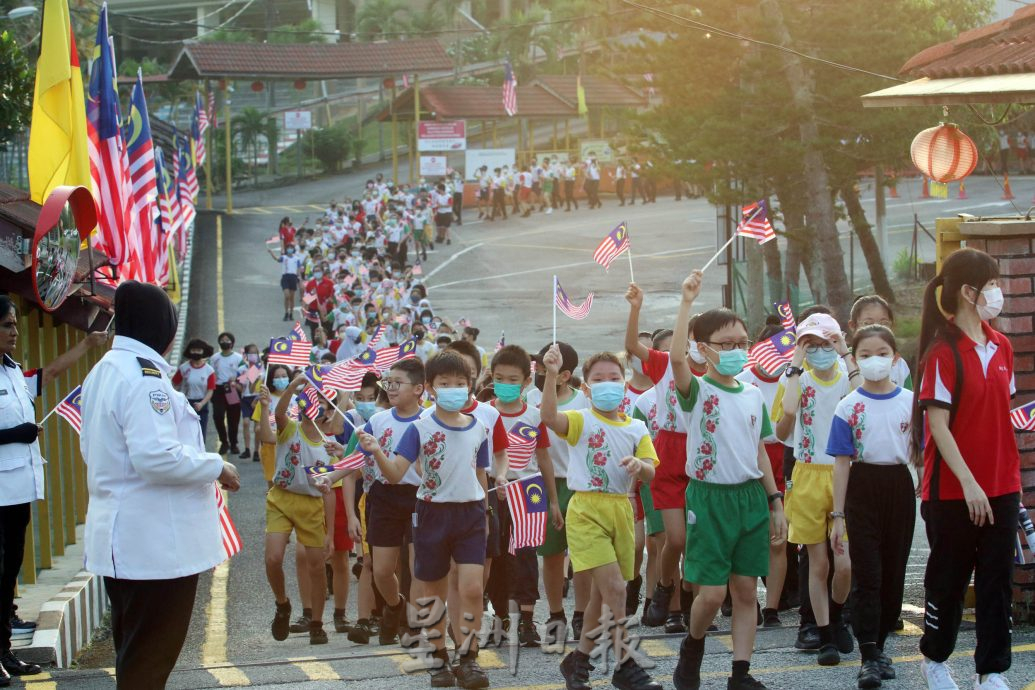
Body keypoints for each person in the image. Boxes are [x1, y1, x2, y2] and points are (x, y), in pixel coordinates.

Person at [81, 282, 241, 689]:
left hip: (127, 540)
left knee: (135, 652)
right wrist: (215, 465)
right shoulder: (144, 377)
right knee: (150, 658)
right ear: (160, 326)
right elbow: (156, 457)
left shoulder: (105, 370)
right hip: (154, 546)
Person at [667, 271, 787, 690]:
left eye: (741, 343)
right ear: (704, 349)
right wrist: (686, 303)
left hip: (750, 498)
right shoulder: (696, 390)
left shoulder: (753, 393)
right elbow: (677, 361)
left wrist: (775, 501)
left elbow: (758, 450)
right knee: (712, 594)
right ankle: (693, 644)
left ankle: (741, 672)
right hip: (709, 498)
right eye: (726, 344)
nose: (737, 350)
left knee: (744, 590)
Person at [913, 247, 1018, 690]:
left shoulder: (1001, 345)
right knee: (949, 580)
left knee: (997, 583)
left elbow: (1000, 414)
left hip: (1001, 486)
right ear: (969, 291)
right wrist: (971, 484)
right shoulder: (942, 352)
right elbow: (937, 427)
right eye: (990, 284)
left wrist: (998, 483)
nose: (997, 292)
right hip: (953, 492)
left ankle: (990, 672)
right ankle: (935, 661)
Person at [359, 351, 493, 688]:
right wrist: (376, 450)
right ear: (430, 389)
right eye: (445, 384)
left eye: (460, 384)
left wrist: (487, 513)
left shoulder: (479, 428)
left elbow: (481, 476)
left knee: (473, 589)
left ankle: (469, 657)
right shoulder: (419, 428)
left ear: (470, 386)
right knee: (433, 592)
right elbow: (394, 474)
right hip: (433, 513)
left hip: (471, 515)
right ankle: (438, 659)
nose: (453, 389)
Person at [540, 345, 662, 690]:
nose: (607, 384)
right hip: (585, 511)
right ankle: (625, 664)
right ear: (588, 388)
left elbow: (652, 470)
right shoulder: (581, 420)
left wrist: (641, 466)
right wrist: (550, 375)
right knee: (615, 589)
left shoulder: (637, 427)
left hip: (620, 509)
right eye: (598, 379)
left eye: (614, 377)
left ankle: (578, 661)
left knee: (600, 596)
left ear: (625, 384)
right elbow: (549, 418)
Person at [827, 325, 915, 689]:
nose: (873, 360)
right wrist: (838, 515)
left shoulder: (911, 401)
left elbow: (923, 450)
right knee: (870, 576)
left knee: (894, 577)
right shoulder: (848, 406)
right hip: (862, 488)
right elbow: (842, 463)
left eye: (881, 353)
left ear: (895, 358)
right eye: (864, 355)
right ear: (854, 358)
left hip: (898, 486)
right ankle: (868, 657)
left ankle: (879, 648)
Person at [773, 312, 859, 666]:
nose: (821, 351)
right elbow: (784, 425)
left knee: (844, 564)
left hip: (845, 475)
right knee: (818, 563)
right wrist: (794, 364)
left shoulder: (847, 378)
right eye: (813, 345)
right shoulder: (795, 379)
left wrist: (846, 353)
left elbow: (861, 404)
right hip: (807, 474)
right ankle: (824, 634)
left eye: (827, 343)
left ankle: (837, 617)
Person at [324, 358, 426, 647]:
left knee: (416, 565)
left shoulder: (428, 421)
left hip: (418, 499)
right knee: (381, 570)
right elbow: (355, 458)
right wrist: (330, 477)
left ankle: (415, 626)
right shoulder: (378, 421)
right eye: (388, 382)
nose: (390, 388)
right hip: (382, 496)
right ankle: (395, 607)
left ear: (419, 388)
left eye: (397, 383)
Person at [485, 345, 564, 646]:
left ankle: (527, 621)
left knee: (526, 555)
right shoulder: (484, 414)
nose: (506, 384)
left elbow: (544, 460)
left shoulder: (534, 417)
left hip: (529, 491)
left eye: (513, 379)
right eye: (500, 378)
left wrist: (553, 502)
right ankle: (501, 616)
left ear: (526, 381)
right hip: (492, 490)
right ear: (491, 378)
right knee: (497, 553)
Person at [260, 373, 338, 646]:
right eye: (308, 402)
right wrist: (294, 386)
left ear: (328, 412)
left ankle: (317, 623)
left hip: (310, 504)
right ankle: (282, 604)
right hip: (281, 498)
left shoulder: (329, 448)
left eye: (321, 405)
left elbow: (329, 495)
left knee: (316, 567)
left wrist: (330, 534)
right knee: (273, 558)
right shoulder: (289, 428)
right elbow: (279, 413)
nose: (312, 408)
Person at [525, 342, 592, 642]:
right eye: (540, 367)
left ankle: (581, 613)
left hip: (577, 484)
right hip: (543, 485)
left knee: (581, 556)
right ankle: (555, 614)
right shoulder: (531, 399)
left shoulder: (584, 403)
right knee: (551, 556)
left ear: (566, 374)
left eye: (549, 367)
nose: (542, 372)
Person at [736, 316, 788, 628]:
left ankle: (772, 608)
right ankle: (746, 599)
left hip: (783, 455)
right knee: (746, 535)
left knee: (777, 538)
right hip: (748, 457)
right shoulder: (743, 380)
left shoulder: (793, 378)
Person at [847, 295, 911, 389]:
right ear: (852, 326)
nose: (876, 330)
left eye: (884, 323)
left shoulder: (899, 364)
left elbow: (909, 399)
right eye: (867, 324)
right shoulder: (843, 362)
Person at [172, 339, 216, 441]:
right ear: (189, 351)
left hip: (201, 404)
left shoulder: (209, 370)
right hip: (186, 404)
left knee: (200, 434)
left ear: (203, 351)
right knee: (186, 434)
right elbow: (175, 384)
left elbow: (210, 390)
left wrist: (202, 403)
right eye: (193, 350)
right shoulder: (184, 368)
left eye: (199, 350)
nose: (196, 353)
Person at [210, 332, 244, 456]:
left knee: (233, 418)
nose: (225, 342)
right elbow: (209, 373)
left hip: (232, 388)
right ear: (219, 343)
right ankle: (224, 442)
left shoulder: (238, 358)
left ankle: (234, 443)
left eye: (227, 340)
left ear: (232, 342)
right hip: (218, 389)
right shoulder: (214, 358)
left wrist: (238, 382)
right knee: (218, 416)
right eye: (222, 340)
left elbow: (247, 372)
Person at [270, 243, 302, 321]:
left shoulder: (297, 258)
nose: (289, 249)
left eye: (291, 248)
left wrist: (299, 278)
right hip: (285, 277)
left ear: (293, 249)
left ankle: (291, 313)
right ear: (286, 249)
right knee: (287, 296)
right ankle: (286, 312)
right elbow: (277, 259)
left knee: (292, 298)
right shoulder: (284, 257)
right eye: (288, 248)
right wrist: (271, 253)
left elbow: (298, 269)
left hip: (293, 277)